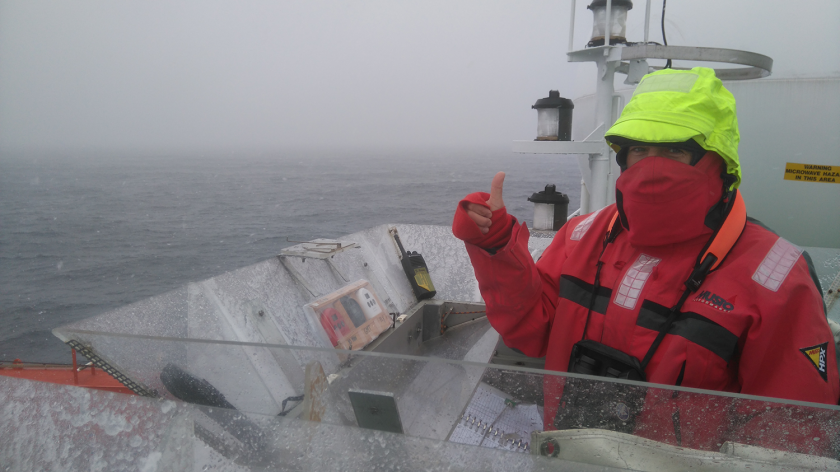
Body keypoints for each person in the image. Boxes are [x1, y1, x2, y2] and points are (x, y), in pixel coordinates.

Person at [452, 67, 839, 450]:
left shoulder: (776, 278)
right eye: (639, 148)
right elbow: (530, 330)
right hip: (567, 457)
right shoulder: (584, 235)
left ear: (718, 162)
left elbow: (789, 431)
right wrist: (497, 245)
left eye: (675, 149)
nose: (653, 165)